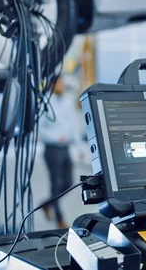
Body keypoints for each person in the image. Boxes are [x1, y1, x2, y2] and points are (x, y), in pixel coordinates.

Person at [39, 77, 83, 229]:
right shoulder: (44, 103)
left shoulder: (67, 102)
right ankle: (60, 220)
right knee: (56, 184)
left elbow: (73, 125)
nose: (63, 85)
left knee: (68, 182)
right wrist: (57, 137)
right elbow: (40, 130)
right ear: (52, 85)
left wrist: (78, 147)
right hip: (52, 149)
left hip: (65, 149)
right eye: (60, 83)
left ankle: (46, 204)